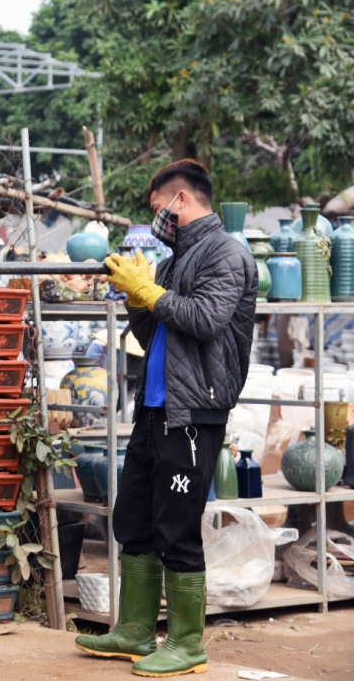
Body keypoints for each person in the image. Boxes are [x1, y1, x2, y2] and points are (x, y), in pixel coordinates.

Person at [75, 160, 258, 677]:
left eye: (158, 209)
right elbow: (156, 336)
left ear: (181, 200)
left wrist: (153, 293)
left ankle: (187, 642)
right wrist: (138, 297)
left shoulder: (227, 252)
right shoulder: (178, 258)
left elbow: (205, 318)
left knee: (176, 526)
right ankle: (135, 630)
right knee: (134, 518)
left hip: (195, 413)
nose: (156, 219)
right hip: (156, 410)